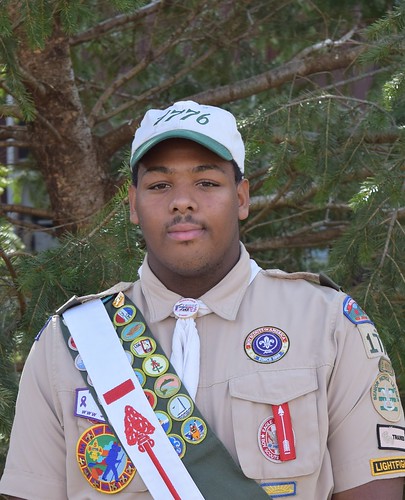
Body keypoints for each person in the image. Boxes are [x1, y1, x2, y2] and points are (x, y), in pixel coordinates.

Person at [1, 100, 405, 499]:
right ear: (133, 205)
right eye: (160, 185)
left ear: (242, 197)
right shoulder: (70, 342)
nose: (182, 201)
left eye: (207, 182)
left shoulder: (327, 324)